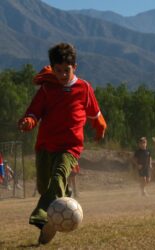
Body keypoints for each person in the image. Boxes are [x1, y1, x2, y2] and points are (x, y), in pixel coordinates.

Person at [18, 42, 107, 244]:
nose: (62, 75)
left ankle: (42, 218)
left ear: (74, 67)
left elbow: (96, 114)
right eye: (58, 71)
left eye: (66, 70)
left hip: (70, 148)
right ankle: (63, 195)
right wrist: (28, 122)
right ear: (53, 68)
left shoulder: (84, 88)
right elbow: (34, 112)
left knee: (58, 175)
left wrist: (100, 129)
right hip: (45, 146)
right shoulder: (47, 89)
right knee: (43, 186)